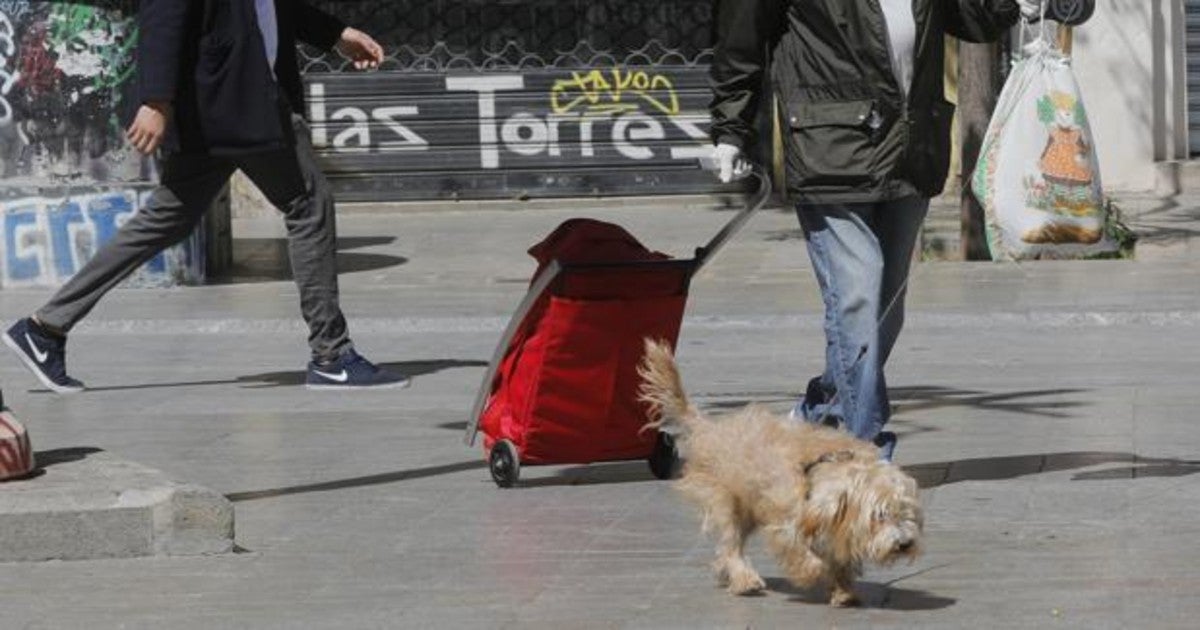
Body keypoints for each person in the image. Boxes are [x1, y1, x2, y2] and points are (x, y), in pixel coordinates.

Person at [2, 0, 409, 393]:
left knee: (168, 216)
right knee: (308, 203)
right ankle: (332, 355)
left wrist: (335, 33)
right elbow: (164, 12)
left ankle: (45, 328)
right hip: (234, 97)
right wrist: (155, 100)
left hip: (227, 97)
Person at [709, 0, 1041, 460]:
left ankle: (814, 415)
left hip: (911, 150)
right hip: (830, 151)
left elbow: (970, 19)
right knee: (857, 300)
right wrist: (731, 130)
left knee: (884, 313)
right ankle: (868, 453)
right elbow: (742, 40)